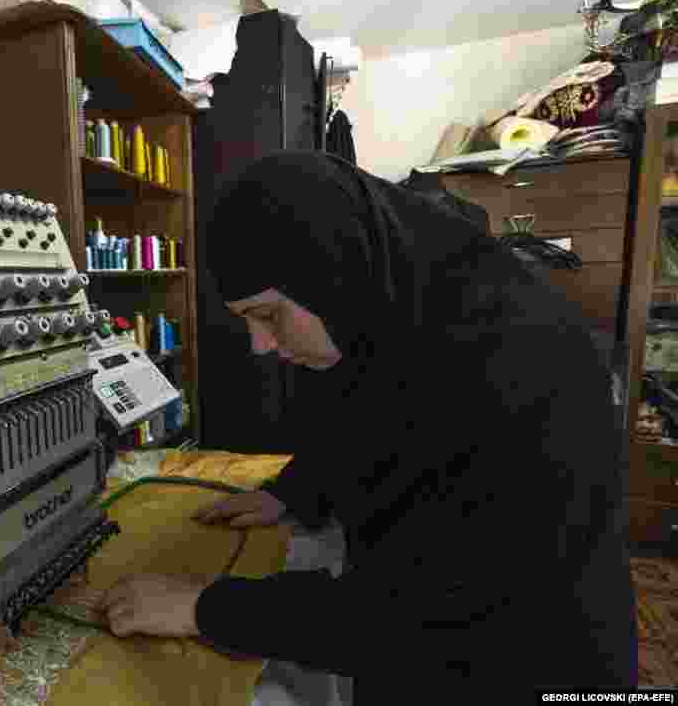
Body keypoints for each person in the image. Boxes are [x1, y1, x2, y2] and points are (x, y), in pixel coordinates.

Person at [97, 151, 637, 699]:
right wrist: (296, 492)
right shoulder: (387, 304)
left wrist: (205, 608)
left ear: (328, 268)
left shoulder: (519, 362)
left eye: (267, 315)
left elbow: (429, 609)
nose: (261, 345)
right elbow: (360, 419)